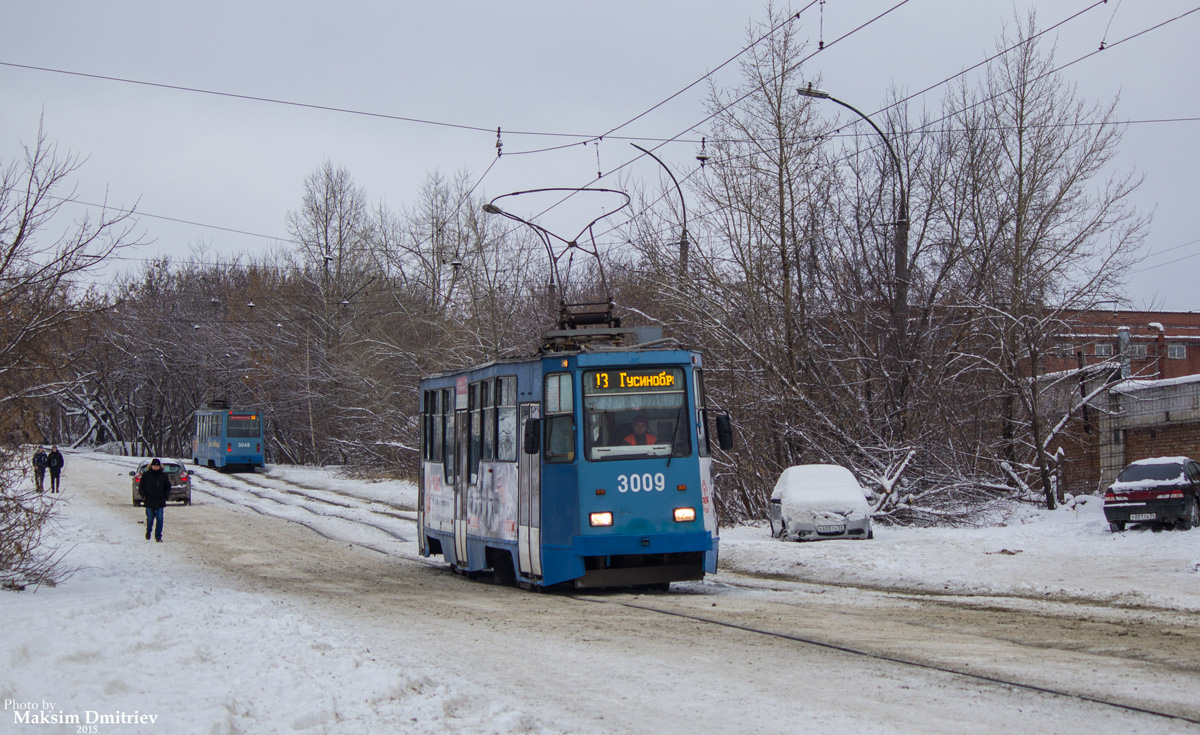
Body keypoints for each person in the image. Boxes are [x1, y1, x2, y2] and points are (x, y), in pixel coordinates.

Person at [139, 458, 171, 542]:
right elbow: (141, 486)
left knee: (160, 519)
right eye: (154, 466)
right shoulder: (146, 475)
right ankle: (148, 531)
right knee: (150, 519)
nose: (155, 467)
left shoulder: (163, 476)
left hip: (160, 501)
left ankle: (158, 536)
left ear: (159, 466)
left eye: (157, 466)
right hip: (149, 501)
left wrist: (165, 496)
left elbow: (168, 487)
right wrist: (144, 496)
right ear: (151, 466)